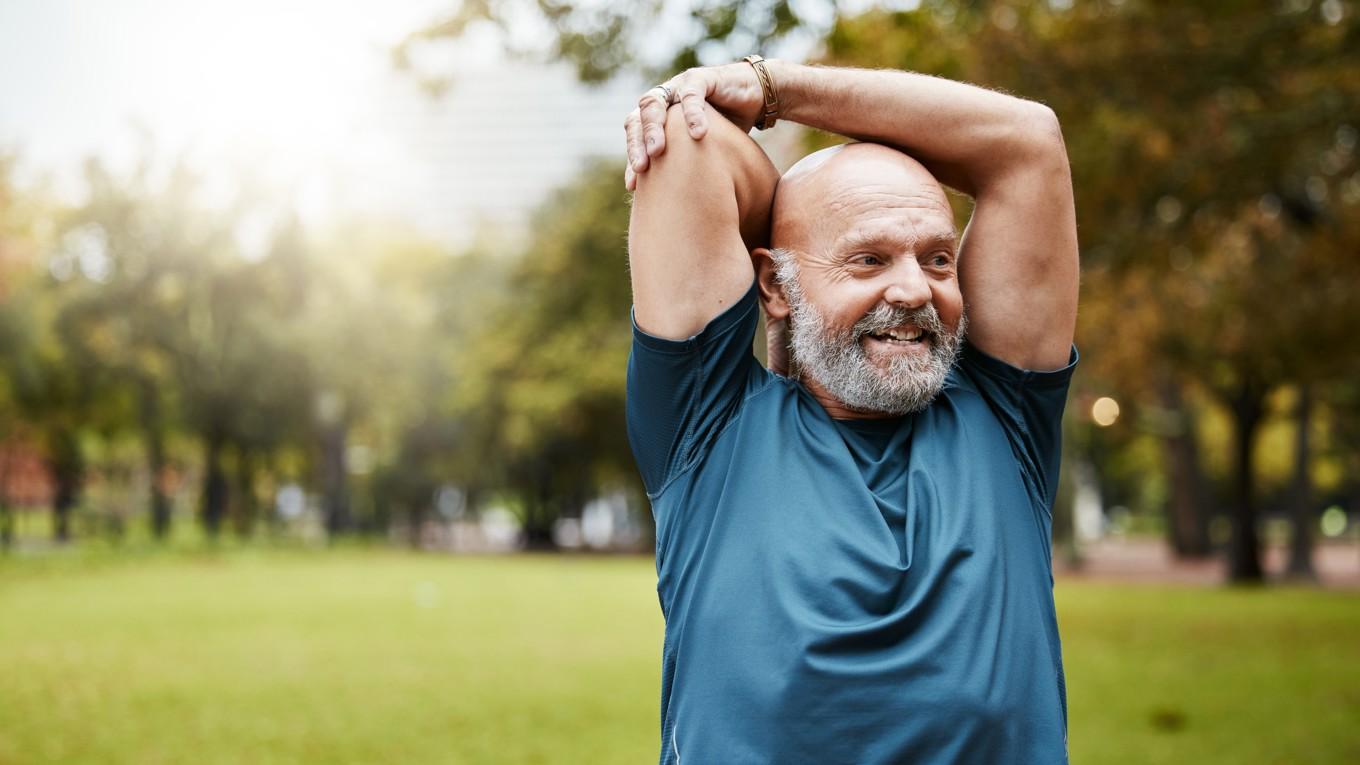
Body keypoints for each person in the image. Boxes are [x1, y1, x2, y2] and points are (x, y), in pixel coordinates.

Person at [623, 57, 1079, 765]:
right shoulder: (708, 428)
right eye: (867, 260)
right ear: (772, 282)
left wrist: (777, 88)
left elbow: (1028, 141)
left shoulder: (1004, 412)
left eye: (936, 258)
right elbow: (688, 146)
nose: (914, 290)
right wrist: (799, 253)